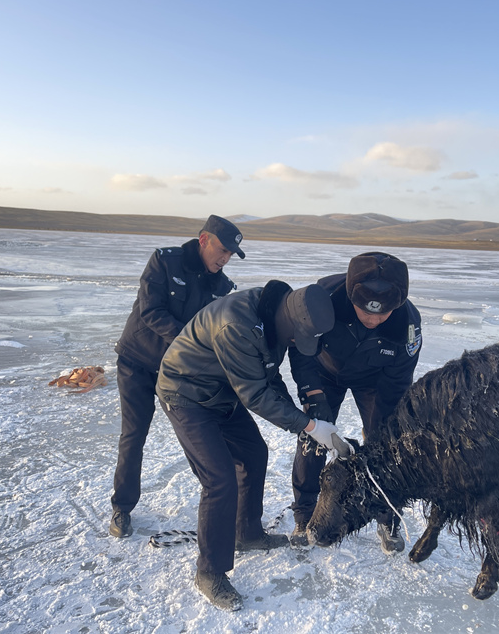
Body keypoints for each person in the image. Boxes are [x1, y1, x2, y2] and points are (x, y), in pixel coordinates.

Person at [156, 280, 348, 612]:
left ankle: (247, 533)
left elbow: (268, 377)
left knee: (254, 454)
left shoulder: (279, 314)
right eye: (297, 340)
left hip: (222, 392)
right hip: (186, 394)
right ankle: (209, 572)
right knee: (219, 480)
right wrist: (310, 426)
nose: (295, 344)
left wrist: (306, 418)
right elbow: (256, 395)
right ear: (290, 325)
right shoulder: (236, 325)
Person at [108, 215, 245, 539]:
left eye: (230, 254)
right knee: (134, 435)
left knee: (196, 435)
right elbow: (151, 311)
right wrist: (192, 341)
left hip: (178, 371)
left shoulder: (222, 287)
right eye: (222, 250)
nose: (225, 259)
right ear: (204, 240)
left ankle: (220, 501)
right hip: (138, 362)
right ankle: (122, 508)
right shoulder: (165, 262)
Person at [288, 251, 423, 553]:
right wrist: (312, 394)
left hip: (376, 381)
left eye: (383, 314)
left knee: (387, 447)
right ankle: (304, 513)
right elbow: (300, 348)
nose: (373, 319)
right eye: (365, 311)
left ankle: (387, 516)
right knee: (312, 440)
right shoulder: (322, 299)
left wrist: (382, 430)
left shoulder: (408, 327)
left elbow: (398, 383)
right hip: (324, 373)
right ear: (351, 296)